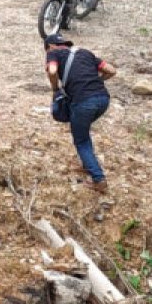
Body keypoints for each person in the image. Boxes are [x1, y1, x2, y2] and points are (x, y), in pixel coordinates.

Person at [44, 34, 116, 193]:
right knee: (82, 131)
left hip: (84, 102)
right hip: (103, 99)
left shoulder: (53, 53)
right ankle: (88, 164)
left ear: (50, 46)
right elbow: (111, 70)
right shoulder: (85, 52)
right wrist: (97, 81)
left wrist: (56, 89)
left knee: (81, 139)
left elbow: (53, 70)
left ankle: (99, 179)